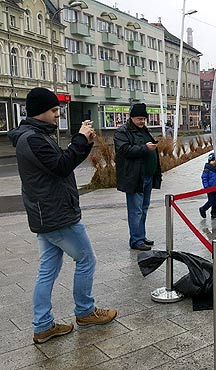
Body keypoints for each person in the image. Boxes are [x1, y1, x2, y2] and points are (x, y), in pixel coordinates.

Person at [8, 87, 117, 344]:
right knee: (86, 259)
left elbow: (63, 162)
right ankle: (85, 311)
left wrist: (84, 143)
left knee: (48, 269)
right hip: (56, 215)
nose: (58, 115)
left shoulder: (35, 135)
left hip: (47, 214)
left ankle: (43, 325)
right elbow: (60, 166)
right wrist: (80, 139)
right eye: (54, 110)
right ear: (40, 112)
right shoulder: (32, 139)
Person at [114, 103, 162, 251]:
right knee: (136, 210)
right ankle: (136, 240)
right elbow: (124, 150)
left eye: (144, 119)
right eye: (139, 119)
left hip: (147, 175)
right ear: (132, 118)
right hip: (134, 177)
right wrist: (145, 148)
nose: (142, 121)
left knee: (144, 208)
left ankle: (141, 236)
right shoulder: (123, 132)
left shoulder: (144, 130)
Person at [199, 152, 216, 220]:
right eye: (213, 160)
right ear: (210, 161)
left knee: (215, 202)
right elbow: (204, 178)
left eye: (215, 160)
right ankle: (203, 208)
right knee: (211, 201)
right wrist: (207, 187)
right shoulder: (207, 169)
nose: (214, 162)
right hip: (210, 188)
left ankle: (213, 213)